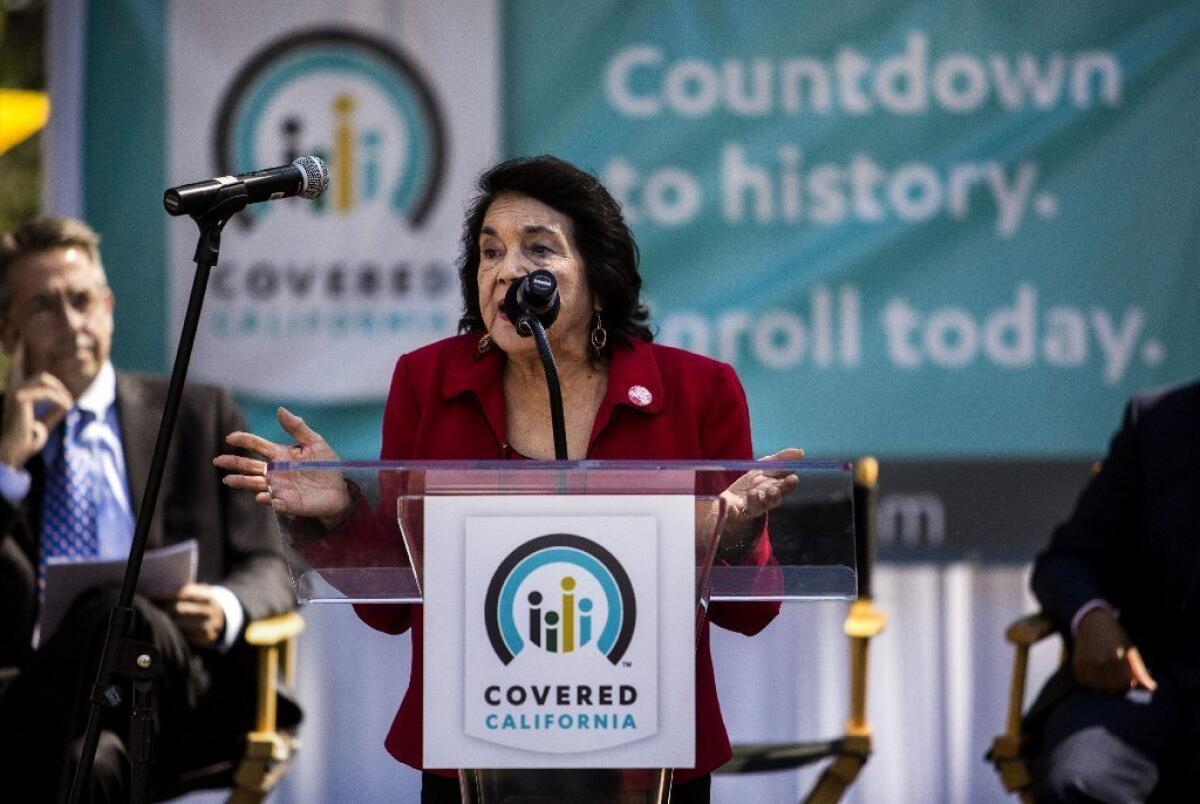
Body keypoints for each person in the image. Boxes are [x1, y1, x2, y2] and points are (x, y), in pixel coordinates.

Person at [217, 155, 800, 803]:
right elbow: (391, 609)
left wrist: (737, 535)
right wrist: (338, 514)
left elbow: (752, 612)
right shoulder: (427, 384)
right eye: (489, 252)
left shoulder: (699, 392)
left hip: (646, 752)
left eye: (538, 249)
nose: (507, 271)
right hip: (473, 749)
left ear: (598, 279)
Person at [0, 216, 296, 801]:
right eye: (44, 307)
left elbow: (275, 565)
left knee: (116, 607)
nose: (71, 323)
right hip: (45, 701)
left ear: (108, 306)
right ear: (8, 332)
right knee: (93, 762)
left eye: (82, 300)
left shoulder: (198, 415)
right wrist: (5, 471)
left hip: (177, 686)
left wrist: (226, 606)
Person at [1030, 380, 1200, 802]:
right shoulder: (1160, 419)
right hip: (1144, 679)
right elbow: (1069, 559)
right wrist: (1091, 616)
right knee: (1078, 780)